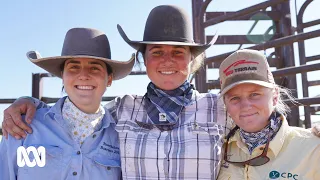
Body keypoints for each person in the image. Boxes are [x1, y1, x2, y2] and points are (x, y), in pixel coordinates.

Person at [2, 5, 320, 180]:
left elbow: (262, 123)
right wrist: (25, 104)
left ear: (193, 61)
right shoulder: (122, 111)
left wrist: (312, 134)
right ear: (143, 59)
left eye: (178, 52)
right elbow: (82, 111)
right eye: (157, 51)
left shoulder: (219, 109)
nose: (167, 60)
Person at [0, 27, 135, 180]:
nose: (84, 75)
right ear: (62, 76)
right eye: (74, 67)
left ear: (109, 79)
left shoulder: (120, 136)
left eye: (95, 68)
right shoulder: (22, 127)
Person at [217, 49, 320, 179]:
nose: (245, 106)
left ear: (275, 96)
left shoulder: (314, 148)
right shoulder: (219, 149)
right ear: (225, 104)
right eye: (234, 98)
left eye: (255, 94)